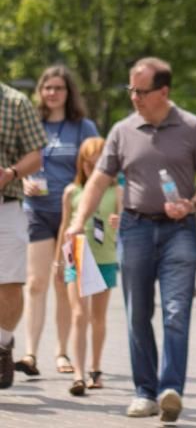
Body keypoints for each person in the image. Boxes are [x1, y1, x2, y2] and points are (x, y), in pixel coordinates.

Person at [65, 57, 196, 422]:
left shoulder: (192, 127)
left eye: (141, 90)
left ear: (163, 91)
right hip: (134, 229)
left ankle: (169, 390)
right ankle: (144, 392)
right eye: (130, 89)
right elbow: (99, 181)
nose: (133, 96)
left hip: (178, 232)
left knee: (177, 312)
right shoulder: (122, 130)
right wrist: (77, 221)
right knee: (137, 315)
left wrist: (193, 203)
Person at [16, 66, 98, 379]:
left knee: (65, 283)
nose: (52, 93)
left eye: (58, 88)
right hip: (35, 211)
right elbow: (16, 161)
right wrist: (22, 182)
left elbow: (97, 168)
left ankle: (62, 351)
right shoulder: (31, 122)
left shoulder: (83, 127)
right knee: (36, 283)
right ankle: (30, 352)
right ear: (40, 91)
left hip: (71, 215)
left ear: (68, 92)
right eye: (47, 87)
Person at [55, 136, 122, 395]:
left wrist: (119, 222)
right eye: (88, 163)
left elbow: (124, 221)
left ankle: (96, 368)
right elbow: (64, 225)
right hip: (79, 256)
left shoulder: (115, 191)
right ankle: (79, 375)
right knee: (79, 314)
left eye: (98, 163)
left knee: (98, 317)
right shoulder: (72, 192)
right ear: (81, 164)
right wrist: (59, 260)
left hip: (105, 258)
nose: (92, 169)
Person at [0, 81, 47, 390]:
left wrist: (10, 173)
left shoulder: (15, 102)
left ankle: (2, 345)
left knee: (11, 282)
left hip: (6, 204)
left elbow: (36, 156)